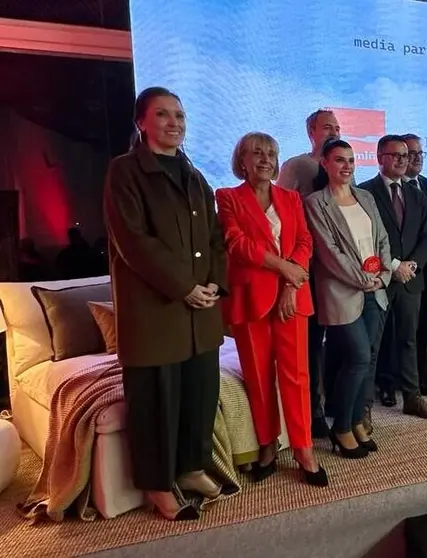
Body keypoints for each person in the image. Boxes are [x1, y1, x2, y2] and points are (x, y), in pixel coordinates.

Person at [103, 86, 229, 520]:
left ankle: (191, 467)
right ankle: (158, 486)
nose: (174, 122)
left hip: (200, 315)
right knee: (155, 403)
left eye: (180, 115)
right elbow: (134, 243)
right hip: (156, 315)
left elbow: (215, 239)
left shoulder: (196, 177)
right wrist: (184, 287)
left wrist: (214, 283)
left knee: (199, 394)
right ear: (142, 122)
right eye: (163, 115)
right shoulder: (125, 172)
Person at [215, 132, 327, 487]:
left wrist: (291, 283)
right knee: (259, 378)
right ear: (242, 161)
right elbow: (236, 243)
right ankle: (266, 446)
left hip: (292, 297)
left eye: (271, 153)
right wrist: (285, 269)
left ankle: (303, 448)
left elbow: (305, 240)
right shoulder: (228, 197)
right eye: (257, 153)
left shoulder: (291, 198)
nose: (265, 159)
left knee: (296, 377)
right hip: (251, 299)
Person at [305, 139, 391, 459]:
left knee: (366, 358)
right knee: (356, 357)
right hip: (342, 292)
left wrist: (382, 277)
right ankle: (340, 427)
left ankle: (355, 421)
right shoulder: (315, 203)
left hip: (375, 289)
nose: (347, 166)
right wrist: (362, 280)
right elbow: (330, 254)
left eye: (352, 160)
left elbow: (381, 239)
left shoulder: (365, 197)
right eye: (339, 160)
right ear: (325, 164)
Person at [360, 135, 427, 419]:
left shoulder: (416, 193)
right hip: (380, 279)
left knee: (409, 340)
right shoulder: (364, 193)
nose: (401, 160)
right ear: (379, 157)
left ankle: (412, 397)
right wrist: (393, 266)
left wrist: (412, 265)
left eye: (405, 156)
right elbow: (365, 239)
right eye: (394, 155)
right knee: (373, 344)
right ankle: (364, 407)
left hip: (411, 280)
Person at [279, 108, 344, 439]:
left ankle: (334, 402)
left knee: (339, 339)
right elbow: (280, 214)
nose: (332, 131)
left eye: (336, 126)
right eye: (326, 127)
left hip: (337, 272)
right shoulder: (296, 166)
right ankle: (312, 411)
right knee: (310, 344)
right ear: (311, 131)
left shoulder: (342, 168)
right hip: (306, 269)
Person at [402, 133, 427, 395]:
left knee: (421, 329)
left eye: (420, 153)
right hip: (400, 272)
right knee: (399, 332)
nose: (416, 158)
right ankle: (390, 382)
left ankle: (418, 380)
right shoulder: (386, 189)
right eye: (411, 154)